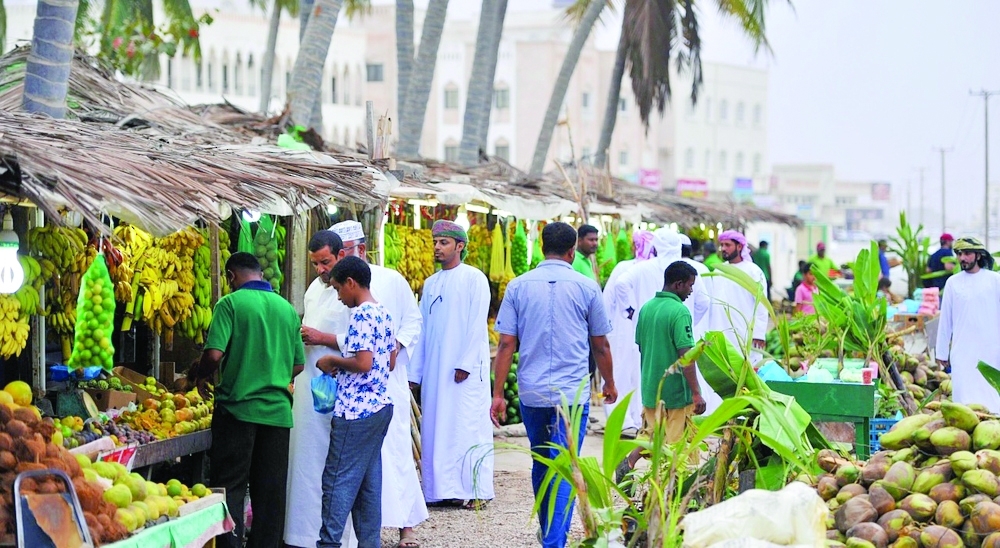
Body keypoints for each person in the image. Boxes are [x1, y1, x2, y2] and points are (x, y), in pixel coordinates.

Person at [490, 221, 616, 548]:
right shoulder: (587, 287)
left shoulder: (518, 286)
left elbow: (505, 345)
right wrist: (610, 384)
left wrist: (498, 393)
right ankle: (554, 540)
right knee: (564, 462)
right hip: (572, 394)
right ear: (573, 251)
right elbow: (600, 345)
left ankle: (549, 532)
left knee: (541, 459)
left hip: (531, 391)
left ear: (542, 246)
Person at [191, 252, 304, 548]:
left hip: (237, 412)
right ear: (261, 275)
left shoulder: (230, 304)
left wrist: (199, 375)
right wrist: (273, 374)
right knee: (270, 492)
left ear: (231, 276)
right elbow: (298, 365)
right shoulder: (287, 309)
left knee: (230, 488)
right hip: (278, 415)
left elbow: (213, 354)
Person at [329, 221, 427, 548]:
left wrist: (395, 347)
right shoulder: (372, 304)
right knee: (370, 479)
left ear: (361, 250)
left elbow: (365, 357)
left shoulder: (385, 286)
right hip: (376, 399)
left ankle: (402, 526)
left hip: (364, 400)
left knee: (343, 480)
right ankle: (367, 540)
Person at [409, 220, 494, 509]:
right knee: (436, 427)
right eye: (435, 242)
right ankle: (440, 489)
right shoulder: (431, 284)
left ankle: (475, 491)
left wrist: (465, 363)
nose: (437, 247)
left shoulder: (474, 278)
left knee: (467, 426)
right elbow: (422, 331)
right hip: (435, 371)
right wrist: (415, 373)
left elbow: (476, 325)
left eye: (443, 243)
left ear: (460, 246)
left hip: (464, 372)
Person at [315, 256, 396, 548]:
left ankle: (328, 543)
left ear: (351, 283)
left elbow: (363, 362)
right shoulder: (383, 312)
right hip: (380, 407)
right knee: (367, 485)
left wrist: (332, 360)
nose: (338, 297)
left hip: (355, 412)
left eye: (338, 289)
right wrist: (350, 364)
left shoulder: (361, 314)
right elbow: (390, 360)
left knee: (336, 483)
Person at [286, 231, 351, 548]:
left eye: (325, 262)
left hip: (339, 387)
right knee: (305, 459)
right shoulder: (313, 288)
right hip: (309, 387)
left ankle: (334, 537)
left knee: (333, 465)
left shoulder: (352, 290)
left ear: (340, 255)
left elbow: (363, 344)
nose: (321, 269)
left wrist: (321, 337)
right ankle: (302, 534)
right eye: (315, 263)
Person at [617, 261, 705, 482]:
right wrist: (696, 393)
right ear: (678, 284)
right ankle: (671, 489)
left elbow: (641, 345)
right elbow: (687, 357)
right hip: (674, 393)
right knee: (676, 445)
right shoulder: (679, 312)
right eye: (689, 285)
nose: (691, 291)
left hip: (650, 388)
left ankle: (629, 462)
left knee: (653, 434)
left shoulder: (646, 308)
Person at [609, 229, 684, 432]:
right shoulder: (679, 269)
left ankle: (645, 424)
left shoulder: (641, 268)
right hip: (658, 331)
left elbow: (617, 289)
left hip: (640, 330)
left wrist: (631, 312)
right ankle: (645, 425)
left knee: (643, 373)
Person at [935, 237, 1000, 413]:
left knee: (992, 396)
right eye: (959, 254)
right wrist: (941, 351)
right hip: (962, 350)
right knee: (963, 400)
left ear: (978, 255)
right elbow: (945, 320)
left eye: (967, 253)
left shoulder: (995, 280)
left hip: (991, 349)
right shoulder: (953, 283)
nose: (962, 258)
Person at [601, 229, 653, 435]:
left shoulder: (645, 269)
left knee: (637, 376)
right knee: (621, 374)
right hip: (623, 329)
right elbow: (608, 300)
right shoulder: (627, 268)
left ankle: (636, 420)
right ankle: (620, 421)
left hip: (632, 330)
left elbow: (607, 300)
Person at [705, 230, 769, 364]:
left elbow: (762, 305)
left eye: (727, 245)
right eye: (722, 245)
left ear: (739, 247)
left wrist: (758, 333)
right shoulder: (718, 271)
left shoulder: (753, 271)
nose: (723, 249)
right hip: (720, 330)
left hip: (745, 333)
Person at [679, 234, 719, 414]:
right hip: (699, 324)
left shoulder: (675, 269)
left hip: (684, 325)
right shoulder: (702, 267)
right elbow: (705, 302)